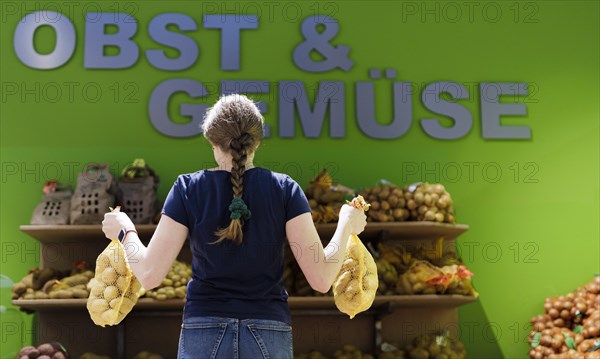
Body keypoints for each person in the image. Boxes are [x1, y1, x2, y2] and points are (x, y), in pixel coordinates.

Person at [101, 94, 367, 359]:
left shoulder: (187, 189)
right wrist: (345, 222)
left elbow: (149, 274)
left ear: (212, 140)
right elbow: (321, 279)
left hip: (203, 330)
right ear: (258, 142)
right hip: (268, 330)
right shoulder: (285, 190)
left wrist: (125, 230)